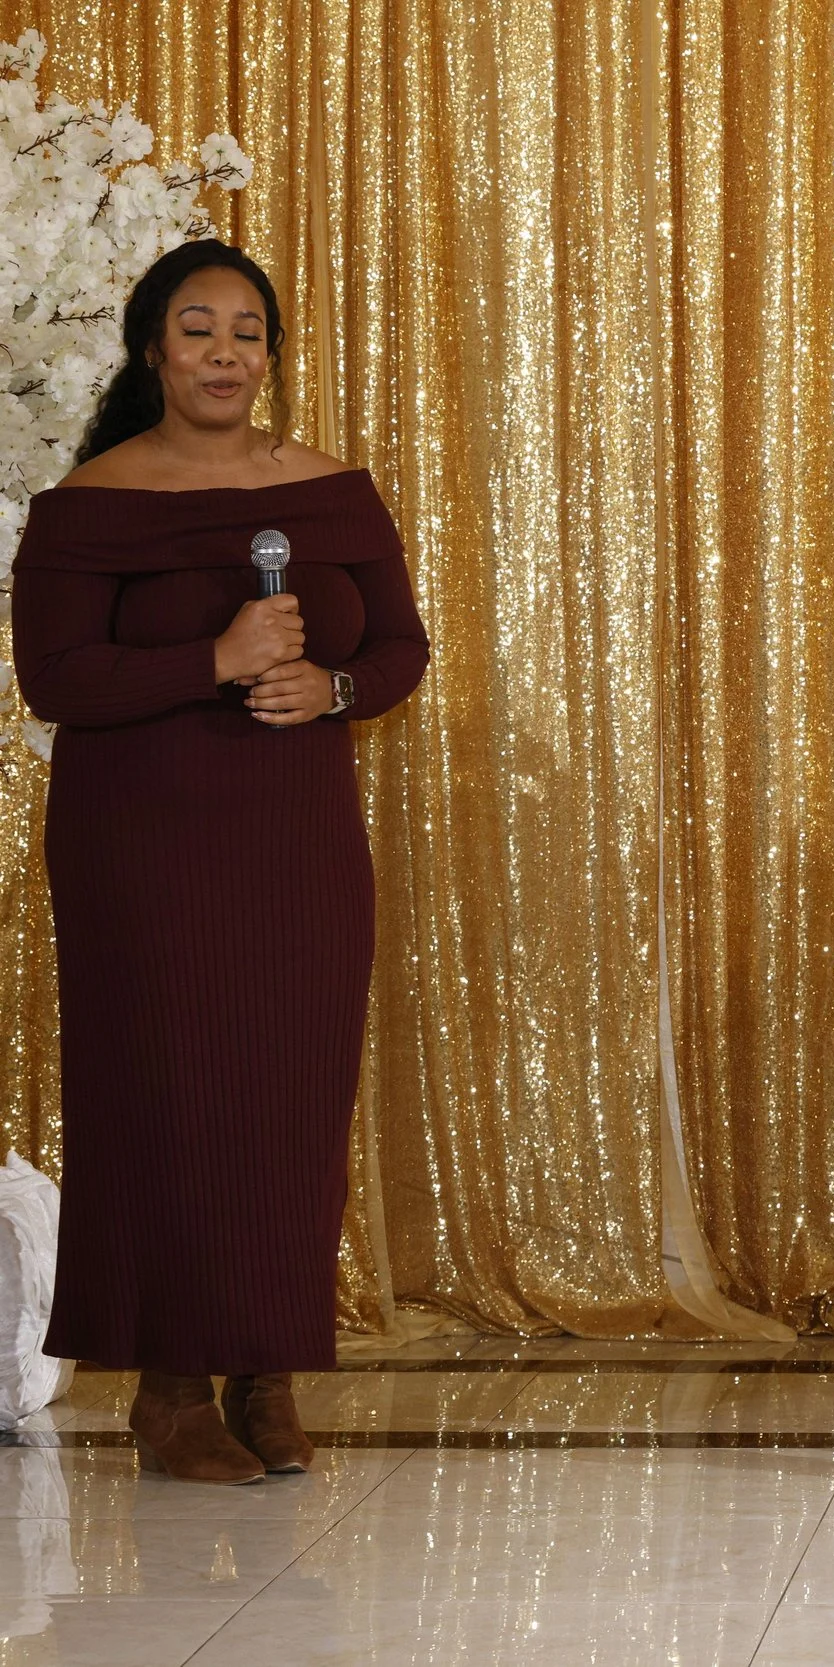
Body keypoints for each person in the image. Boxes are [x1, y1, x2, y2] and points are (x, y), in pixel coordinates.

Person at [8, 240, 430, 1483]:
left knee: (287, 1105)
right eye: (198, 330)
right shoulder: (89, 504)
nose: (225, 354)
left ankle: (266, 1372)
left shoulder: (334, 493)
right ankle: (171, 1386)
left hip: (295, 848)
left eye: (247, 332)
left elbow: (401, 647)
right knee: (164, 1098)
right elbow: (59, 678)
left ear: (272, 354)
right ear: (152, 348)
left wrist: (332, 682)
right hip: (140, 853)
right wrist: (217, 657)